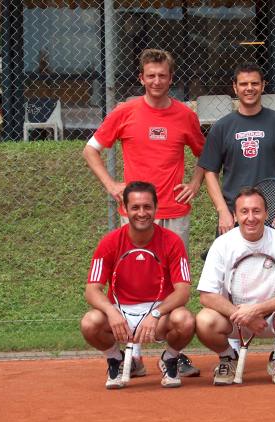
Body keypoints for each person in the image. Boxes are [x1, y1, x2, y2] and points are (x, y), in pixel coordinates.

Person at [82, 49, 203, 376]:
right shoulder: (125, 112)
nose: (156, 81)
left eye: (162, 75)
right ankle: (131, 355)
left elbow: (205, 155)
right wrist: (111, 185)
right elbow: (90, 150)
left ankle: (172, 354)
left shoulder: (185, 115)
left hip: (174, 210)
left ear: (171, 78)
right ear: (141, 78)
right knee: (134, 280)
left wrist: (194, 183)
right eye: (151, 75)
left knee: (174, 283)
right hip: (136, 212)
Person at [80, 181, 196, 389]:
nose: (142, 213)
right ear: (125, 209)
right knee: (90, 323)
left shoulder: (172, 241)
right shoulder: (109, 242)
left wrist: (156, 314)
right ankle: (116, 359)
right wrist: (111, 312)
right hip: (121, 314)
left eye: (147, 207)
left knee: (185, 320)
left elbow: (183, 291)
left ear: (156, 208)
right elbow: (91, 289)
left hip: (158, 315)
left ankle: (169, 359)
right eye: (135, 207)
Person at [196, 187, 275, 385]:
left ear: (266, 214)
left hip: (272, 319)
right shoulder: (222, 244)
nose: (251, 217)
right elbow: (206, 295)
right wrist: (244, 317)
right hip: (234, 319)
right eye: (244, 211)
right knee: (204, 321)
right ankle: (228, 358)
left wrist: (256, 311)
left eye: (256, 211)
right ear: (235, 215)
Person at [198, 62, 275, 242]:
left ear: (263, 85)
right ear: (235, 87)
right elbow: (210, 172)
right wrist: (223, 211)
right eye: (243, 84)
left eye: (254, 83)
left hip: (273, 215)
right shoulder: (221, 127)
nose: (249, 88)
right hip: (234, 217)